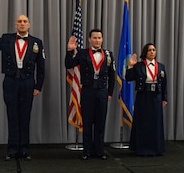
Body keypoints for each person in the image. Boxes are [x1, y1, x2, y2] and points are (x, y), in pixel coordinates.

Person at [0, 15, 45, 161]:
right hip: (10, 81)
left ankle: (25, 149)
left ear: (29, 25)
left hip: (28, 83)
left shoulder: (37, 42)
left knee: (25, 116)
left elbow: (41, 66)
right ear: (16, 24)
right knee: (12, 115)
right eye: (19, 21)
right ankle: (12, 149)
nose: (22, 23)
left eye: (25, 21)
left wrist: (38, 85)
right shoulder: (6, 38)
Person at [65, 29, 115, 160]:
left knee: (100, 122)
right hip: (87, 91)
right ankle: (86, 151)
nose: (97, 40)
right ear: (89, 39)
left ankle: (99, 151)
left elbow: (112, 76)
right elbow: (69, 64)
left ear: (102, 39)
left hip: (102, 91)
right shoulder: (82, 53)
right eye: (94, 38)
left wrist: (110, 93)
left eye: (99, 38)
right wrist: (70, 51)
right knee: (87, 122)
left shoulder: (109, 54)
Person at [125, 43, 167, 156]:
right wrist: (130, 66)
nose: (152, 52)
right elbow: (128, 77)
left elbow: (164, 84)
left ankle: (156, 148)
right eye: (149, 50)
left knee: (156, 122)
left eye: (154, 50)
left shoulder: (161, 66)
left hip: (156, 96)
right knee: (142, 122)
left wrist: (164, 98)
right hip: (143, 96)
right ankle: (142, 148)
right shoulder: (139, 66)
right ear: (145, 52)